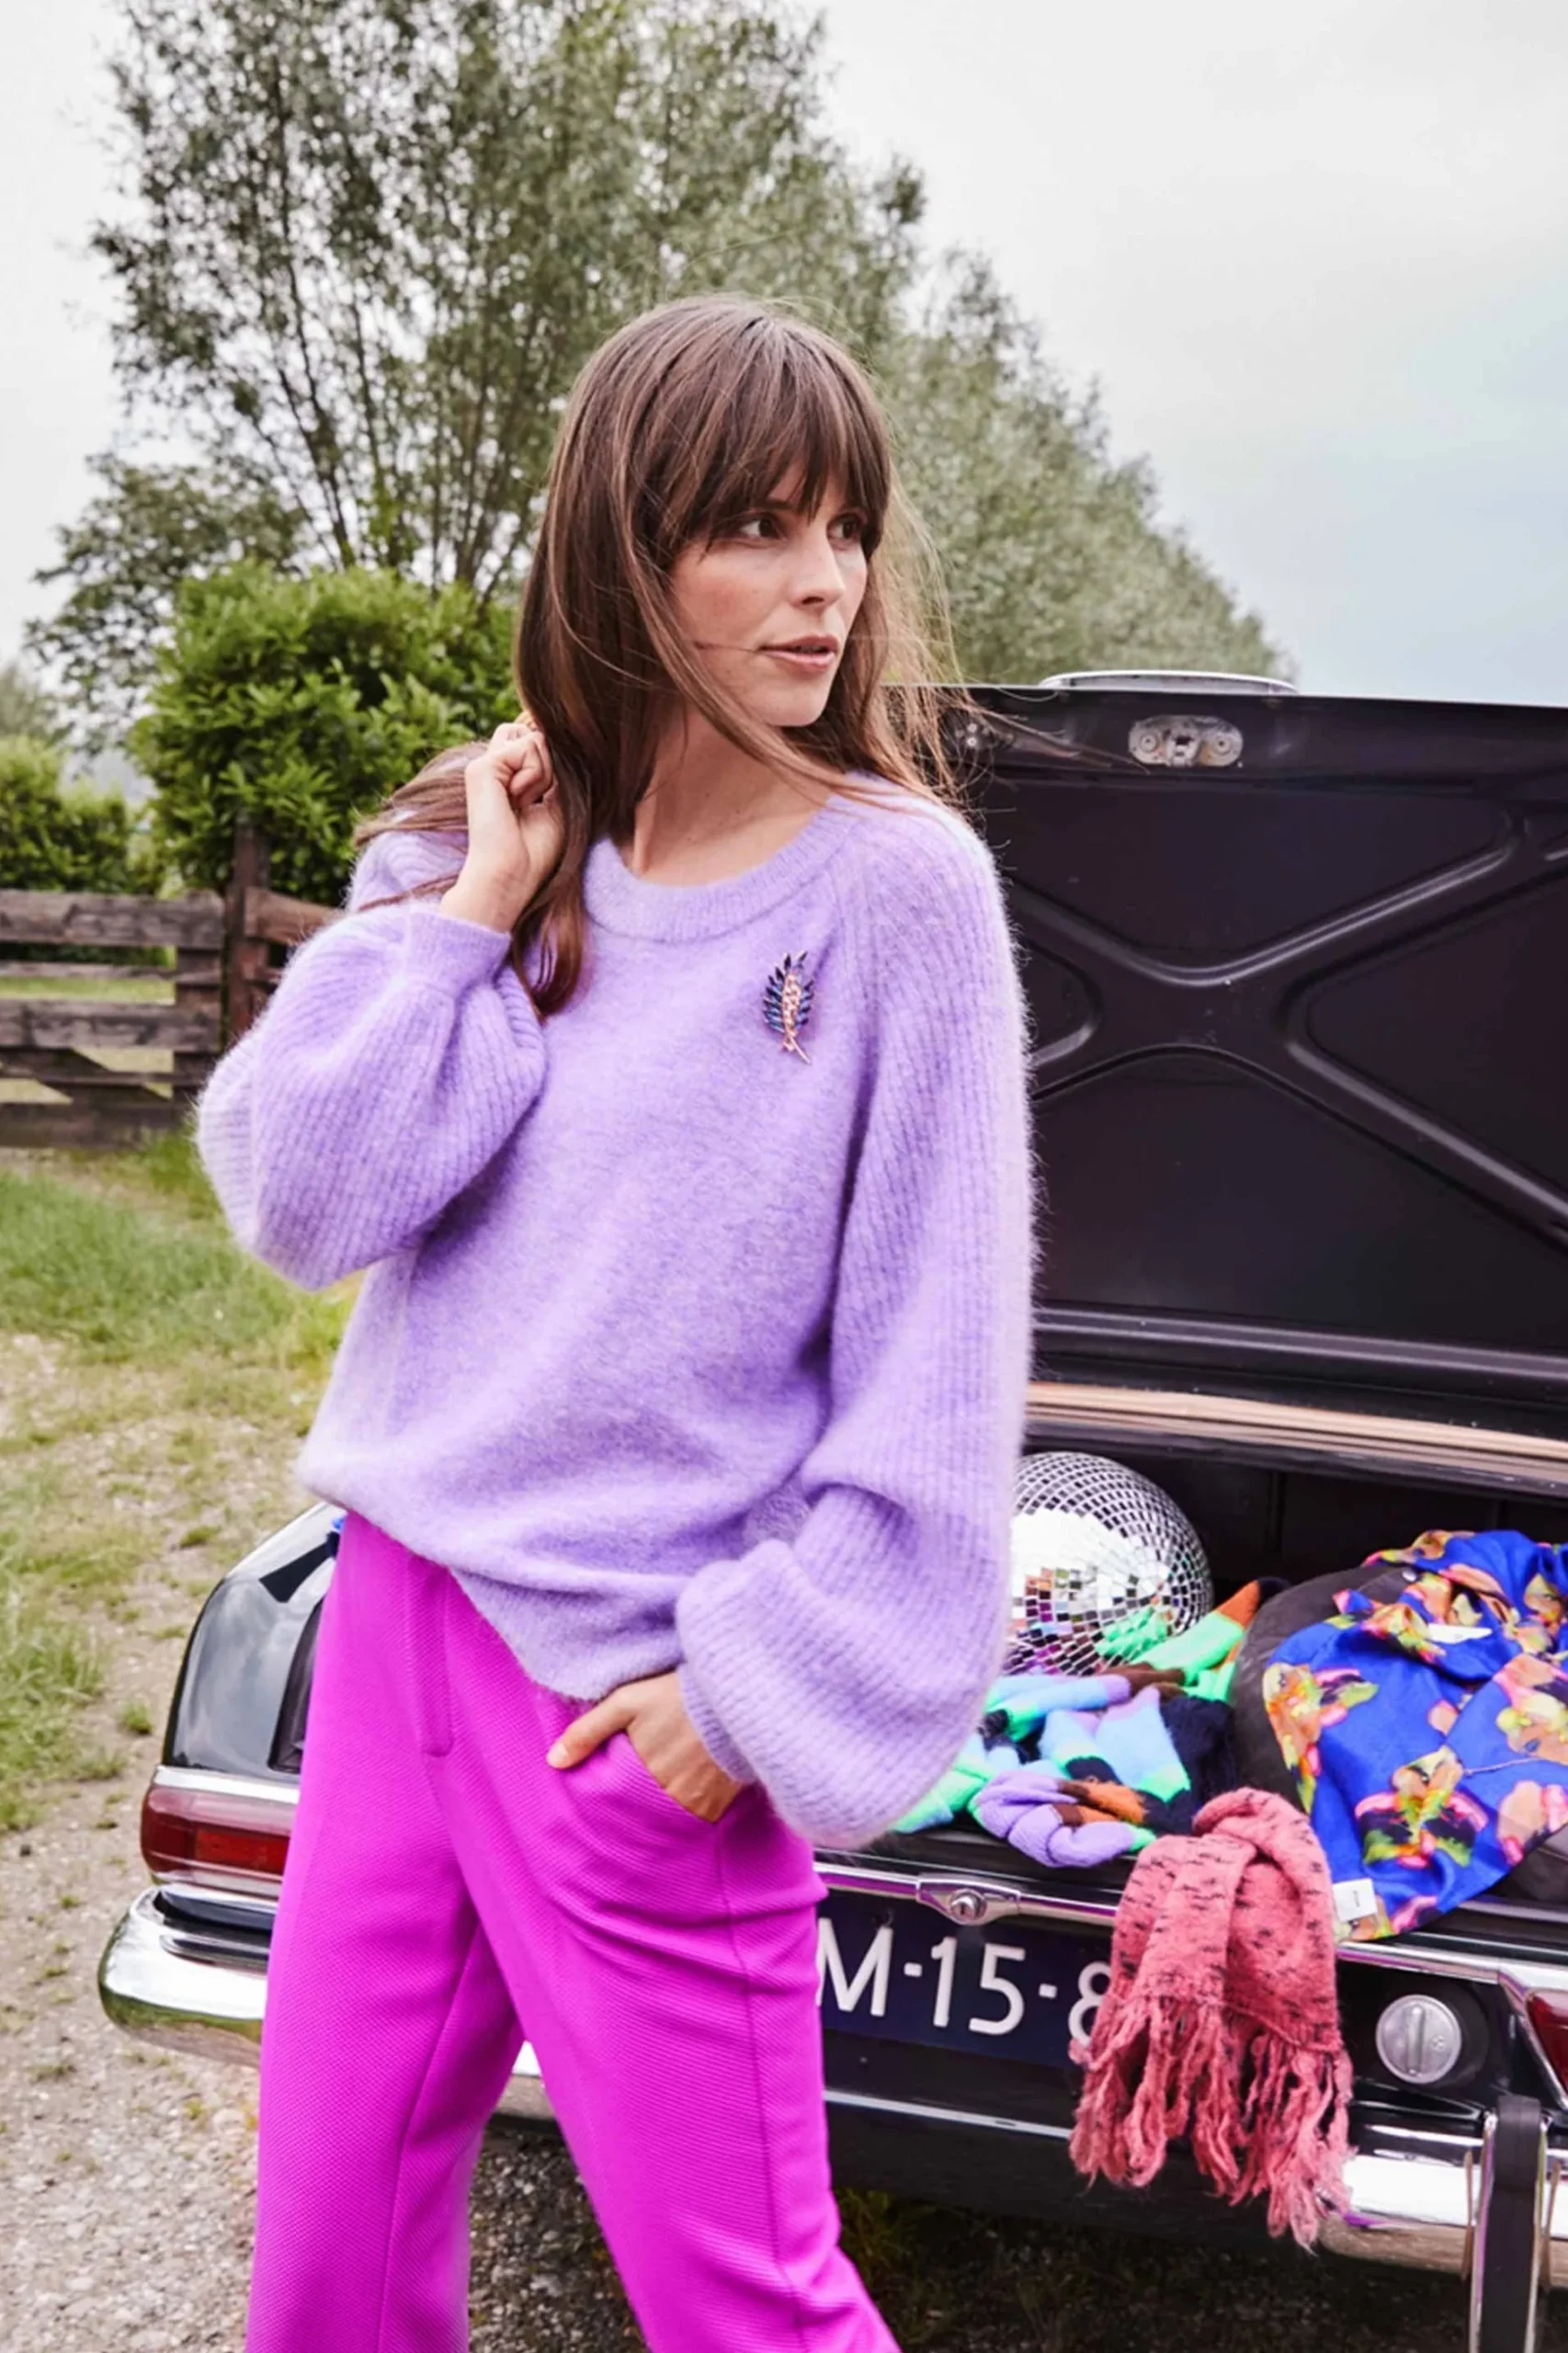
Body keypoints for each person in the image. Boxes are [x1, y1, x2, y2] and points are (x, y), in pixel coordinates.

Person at [197, 292, 1037, 2353]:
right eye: (756, 526)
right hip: (396, 1628)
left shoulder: (897, 893)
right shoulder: (487, 845)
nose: (824, 582)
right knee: (324, 2268)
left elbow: (933, 1381)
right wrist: (475, 916)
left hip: (627, 1697)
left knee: (745, 2310)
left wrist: (739, 1700)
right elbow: (300, 1200)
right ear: (621, 549)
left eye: (844, 526)